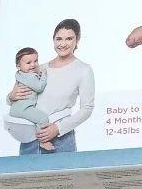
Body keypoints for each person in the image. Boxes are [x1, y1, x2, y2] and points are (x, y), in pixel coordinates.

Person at [6, 18, 95, 154]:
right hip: (30, 139)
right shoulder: (39, 68)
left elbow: (87, 109)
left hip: (61, 140)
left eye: (69, 39)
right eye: (59, 39)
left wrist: (58, 128)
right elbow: (16, 99)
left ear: (77, 40)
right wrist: (11, 97)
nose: (63, 44)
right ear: (53, 40)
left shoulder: (83, 70)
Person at [8, 47, 55, 151]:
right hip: (24, 109)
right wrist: (43, 75)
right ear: (18, 66)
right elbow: (39, 87)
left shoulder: (20, 75)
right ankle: (43, 141)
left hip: (16, 108)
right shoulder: (30, 76)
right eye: (28, 63)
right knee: (43, 118)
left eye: (35, 61)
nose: (33, 65)